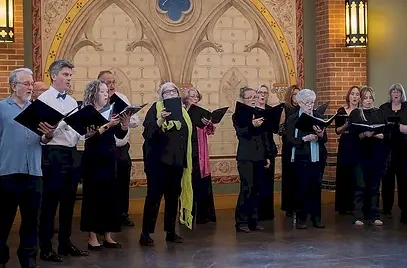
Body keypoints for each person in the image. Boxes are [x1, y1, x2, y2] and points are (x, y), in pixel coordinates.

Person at [0, 68, 55, 268]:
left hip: (33, 172)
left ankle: (28, 259)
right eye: (26, 83)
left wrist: (49, 135)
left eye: (32, 84)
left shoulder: (37, 109)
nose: (30, 87)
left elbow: (42, 139)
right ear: (13, 86)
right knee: (3, 220)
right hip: (7, 172)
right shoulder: (1, 108)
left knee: (32, 220)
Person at [37, 60, 89, 262]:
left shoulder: (71, 102)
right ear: (54, 76)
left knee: (69, 202)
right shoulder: (43, 100)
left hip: (71, 152)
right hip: (52, 153)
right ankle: (46, 247)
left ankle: (65, 243)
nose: (69, 79)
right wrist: (60, 125)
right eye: (66, 75)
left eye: (70, 75)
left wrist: (84, 131)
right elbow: (41, 136)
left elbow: (76, 131)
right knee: (50, 203)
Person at [139, 82, 193, 246]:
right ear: (161, 95)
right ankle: (145, 234)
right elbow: (147, 133)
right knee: (154, 197)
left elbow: (187, 135)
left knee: (172, 198)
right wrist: (160, 119)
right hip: (157, 163)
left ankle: (171, 232)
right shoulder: (155, 109)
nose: (170, 94)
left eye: (173, 91)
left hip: (176, 162)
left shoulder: (183, 112)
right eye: (166, 92)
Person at [80, 80, 131, 249]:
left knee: (110, 195)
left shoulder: (111, 111)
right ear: (93, 94)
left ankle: (108, 234)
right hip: (93, 159)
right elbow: (88, 138)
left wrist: (124, 123)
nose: (106, 94)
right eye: (102, 91)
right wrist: (107, 126)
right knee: (93, 196)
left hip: (110, 156)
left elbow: (119, 134)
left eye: (106, 91)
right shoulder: (86, 112)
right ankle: (92, 236)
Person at [97, 70, 139, 227]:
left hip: (122, 148)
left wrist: (125, 119)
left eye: (113, 82)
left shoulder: (122, 98)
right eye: (107, 82)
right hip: (105, 148)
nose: (111, 85)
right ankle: (107, 216)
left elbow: (135, 121)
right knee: (107, 183)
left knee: (122, 181)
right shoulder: (96, 100)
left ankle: (123, 214)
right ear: (99, 84)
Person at [232, 86, 273, 233]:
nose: (254, 100)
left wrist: (267, 155)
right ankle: (241, 221)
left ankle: (254, 220)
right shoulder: (238, 115)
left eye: (255, 97)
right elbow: (241, 133)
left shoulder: (261, 113)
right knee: (247, 188)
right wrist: (252, 125)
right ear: (243, 99)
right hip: (245, 157)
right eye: (250, 98)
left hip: (259, 156)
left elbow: (265, 137)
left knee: (257, 189)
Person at [286, 89, 327, 229]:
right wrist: (305, 138)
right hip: (300, 157)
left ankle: (316, 218)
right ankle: (302, 218)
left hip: (316, 157)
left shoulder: (318, 116)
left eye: (312, 102)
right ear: (299, 103)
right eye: (306, 103)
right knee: (301, 188)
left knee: (316, 187)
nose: (310, 105)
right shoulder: (293, 118)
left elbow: (325, 139)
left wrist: (321, 134)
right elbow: (289, 139)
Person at [348, 86, 389, 227]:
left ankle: (374, 215)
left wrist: (381, 135)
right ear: (360, 99)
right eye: (365, 98)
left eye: (370, 98)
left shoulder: (379, 113)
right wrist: (363, 134)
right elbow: (352, 135)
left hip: (376, 153)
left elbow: (386, 132)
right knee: (360, 185)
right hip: (360, 154)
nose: (368, 100)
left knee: (374, 186)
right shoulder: (355, 113)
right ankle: (357, 215)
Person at [183, 87, 217, 224]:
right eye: (192, 96)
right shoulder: (182, 112)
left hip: (200, 151)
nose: (195, 98)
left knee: (202, 182)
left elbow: (210, 131)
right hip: (187, 151)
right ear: (186, 98)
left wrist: (208, 123)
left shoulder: (202, 113)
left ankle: (204, 215)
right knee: (188, 182)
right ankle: (187, 215)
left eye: (196, 96)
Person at [379, 83, 407, 217]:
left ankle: (404, 207)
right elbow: (379, 124)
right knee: (387, 178)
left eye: (398, 92)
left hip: (403, 148)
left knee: (403, 179)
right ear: (390, 94)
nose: (396, 94)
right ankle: (386, 207)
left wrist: (400, 126)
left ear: (402, 94)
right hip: (387, 147)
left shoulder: (406, 108)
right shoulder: (384, 108)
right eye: (393, 92)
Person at [335, 86, 361, 215]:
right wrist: (347, 124)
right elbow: (337, 131)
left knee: (356, 175)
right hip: (345, 144)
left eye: (357, 94)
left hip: (358, 144)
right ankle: (343, 206)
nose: (355, 96)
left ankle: (355, 205)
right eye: (352, 94)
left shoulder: (362, 112)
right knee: (344, 173)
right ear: (348, 96)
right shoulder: (341, 111)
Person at [255, 85, 278, 221]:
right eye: (260, 92)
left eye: (265, 93)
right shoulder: (253, 111)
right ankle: (257, 212)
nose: (263, 95)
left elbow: (274, 130)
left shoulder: (270, 110)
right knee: (258, 181)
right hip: (257, 149)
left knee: (268, 182)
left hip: (269, 147)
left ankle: (267, 213)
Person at [279, 85, 300, 217]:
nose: (297, 97)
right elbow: (281, 129)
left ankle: (300, 205)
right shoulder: (285, 108)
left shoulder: (303, 109)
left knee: (299, 177)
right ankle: (289, 206)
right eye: (294, 94)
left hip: (301, 146)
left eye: (299, 94)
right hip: (289, 145)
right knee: (289, 176)